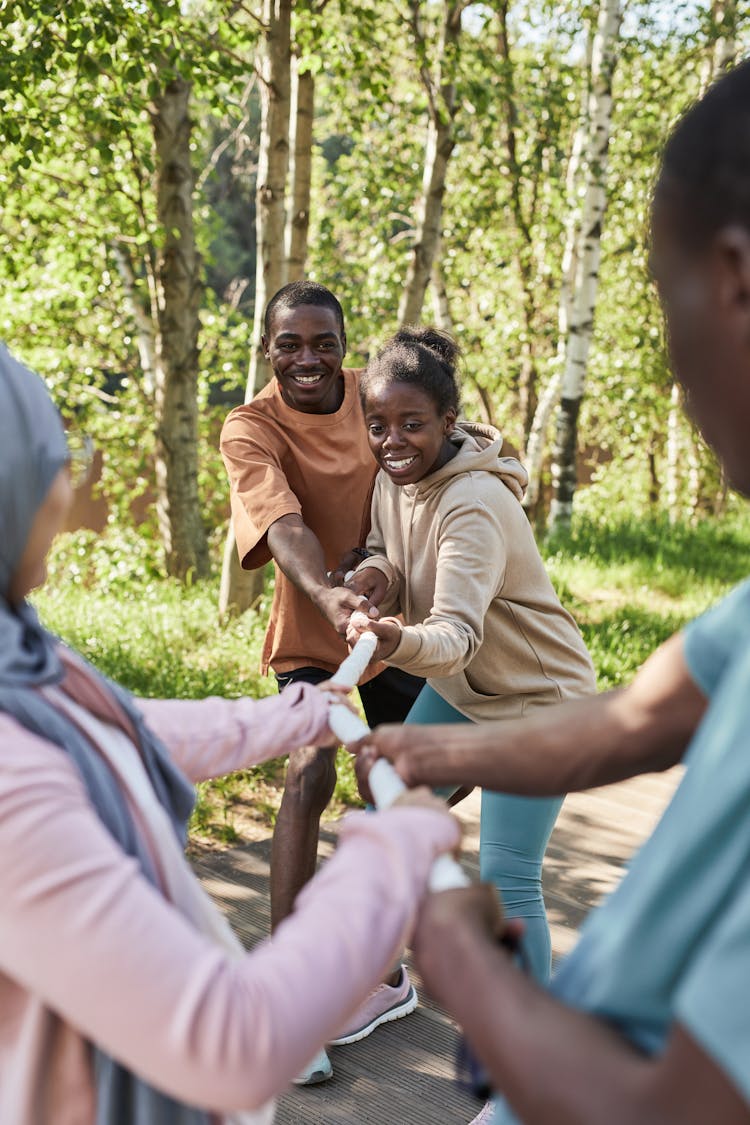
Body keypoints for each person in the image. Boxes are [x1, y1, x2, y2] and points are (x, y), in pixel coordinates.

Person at [355, 61, 750, 1125]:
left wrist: (471, 974)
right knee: (402, 798)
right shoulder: (745, 619)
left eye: (668, 304)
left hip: (510, 685)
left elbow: (669, 1108)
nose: (673, 373)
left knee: (505, 877)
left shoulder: (479, 503)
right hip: (485, 703)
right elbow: (631, 723)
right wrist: (427, 747)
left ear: (735, 278)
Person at [0, 342, 462, 1125]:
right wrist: (390, 855)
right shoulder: (14, 781)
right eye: (54, 457)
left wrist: (293, 716)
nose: (68, 487)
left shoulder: (21, 648)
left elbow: (120, 727)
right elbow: (232, 1039)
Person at [220, 282, 429, 1080]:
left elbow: (443, 445)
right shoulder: (250, 426)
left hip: (401, 626)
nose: (307, 358)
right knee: (309, 775)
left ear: (347, 343)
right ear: (268, 348)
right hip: (315, 630)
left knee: (406, 786)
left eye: (322, 341)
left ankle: (376, 969)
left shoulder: (378, 399)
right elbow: (283, 523)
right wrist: (328, 592)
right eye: (289, 344)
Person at [345, 325, 597, 986]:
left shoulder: (475, 505)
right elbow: (389, 547)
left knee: (506, 880)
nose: (392, 440)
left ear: (447, 421)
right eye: (378, 425)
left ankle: (530, 1075)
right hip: (468, 692)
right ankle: (376, 982)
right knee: (385, 819)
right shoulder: (395, 478)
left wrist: (394, 638)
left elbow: (454, 638)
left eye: (411, 424)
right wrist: (378, 574)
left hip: (538, 704)